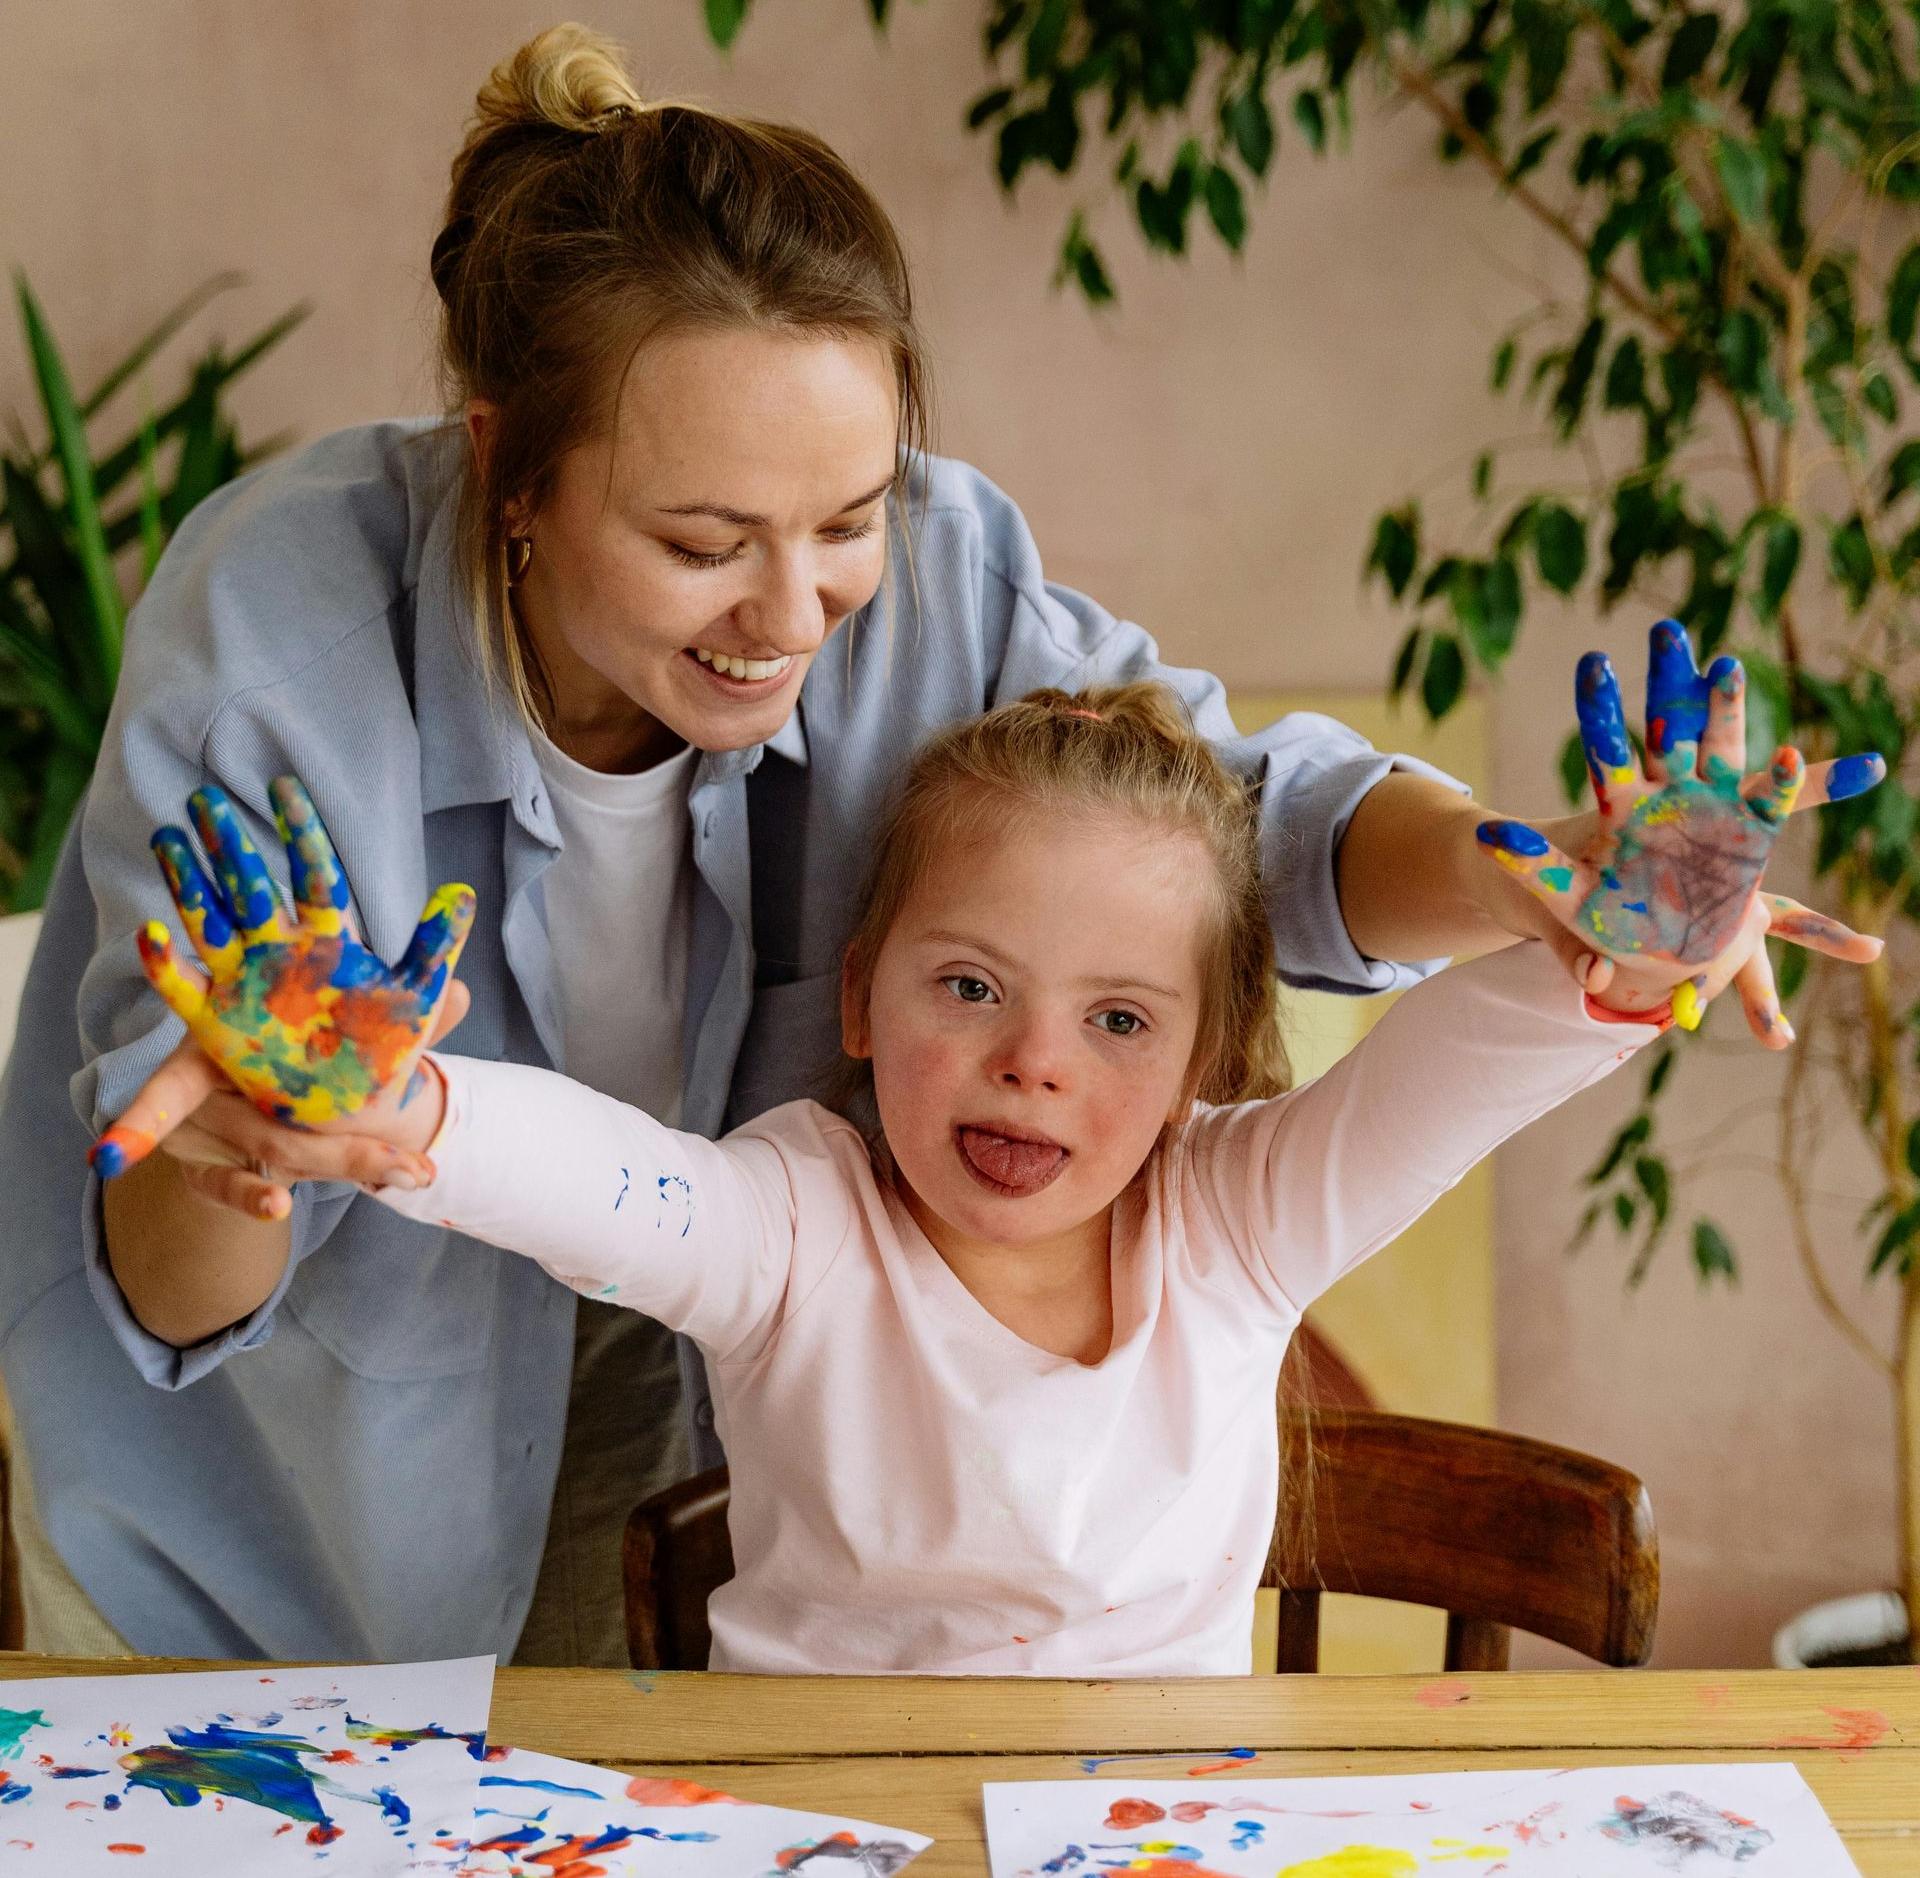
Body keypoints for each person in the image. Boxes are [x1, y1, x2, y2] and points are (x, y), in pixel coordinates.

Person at [0, 21, 1797, 1666]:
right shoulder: (279, 650)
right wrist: (265, 1143)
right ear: (509, 473)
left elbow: (1237, 830)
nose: (796, 614)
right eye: (707, 540)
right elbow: (170, 1273)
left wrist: (1543, 880)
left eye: (846, 518)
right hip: (299, 1521)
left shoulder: (936, 575)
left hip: (690, 1390)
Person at [94, 651, 1880, 1674]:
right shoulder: (797, 1218)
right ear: (859, 996)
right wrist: (409, 1110)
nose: (1035, 1055)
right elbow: (613, 1185)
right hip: (827, 1834)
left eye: (1120, 1020)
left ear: (1206, 1056)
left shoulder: (1236, 1218)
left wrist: (1620, 958)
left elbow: (1453, 1073)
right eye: (972, 986)